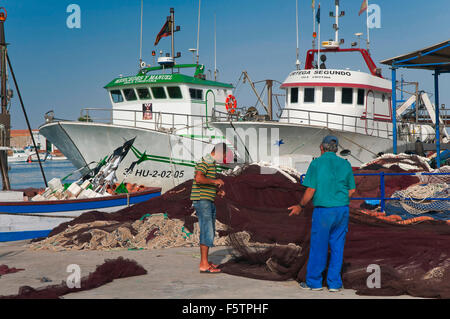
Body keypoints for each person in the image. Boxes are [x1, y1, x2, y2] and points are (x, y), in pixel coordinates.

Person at [288, 135, 356, 292]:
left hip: (323, 211)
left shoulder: (316, 163)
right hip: (342, 210)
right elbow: (351, 190)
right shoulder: (345, 164)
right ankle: (334, 284)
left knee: (319, 246)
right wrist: (338, 200)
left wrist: (300, 206)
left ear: (321, 147)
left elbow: (311, 190)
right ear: (337, 148)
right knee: (337, 247)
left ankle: (314, 282)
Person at [190, 143, 228, 273]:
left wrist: (217, 192)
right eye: (223, 156)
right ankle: (204, 264)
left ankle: (205, 262)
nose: (223, 159)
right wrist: (215, 181)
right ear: (217, 152)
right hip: (202, 201)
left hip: (208, 200)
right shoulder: (205, 161)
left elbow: (205, 183)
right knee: (207, 231)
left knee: (209, 230)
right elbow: (199, 178)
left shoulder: (211, 164)